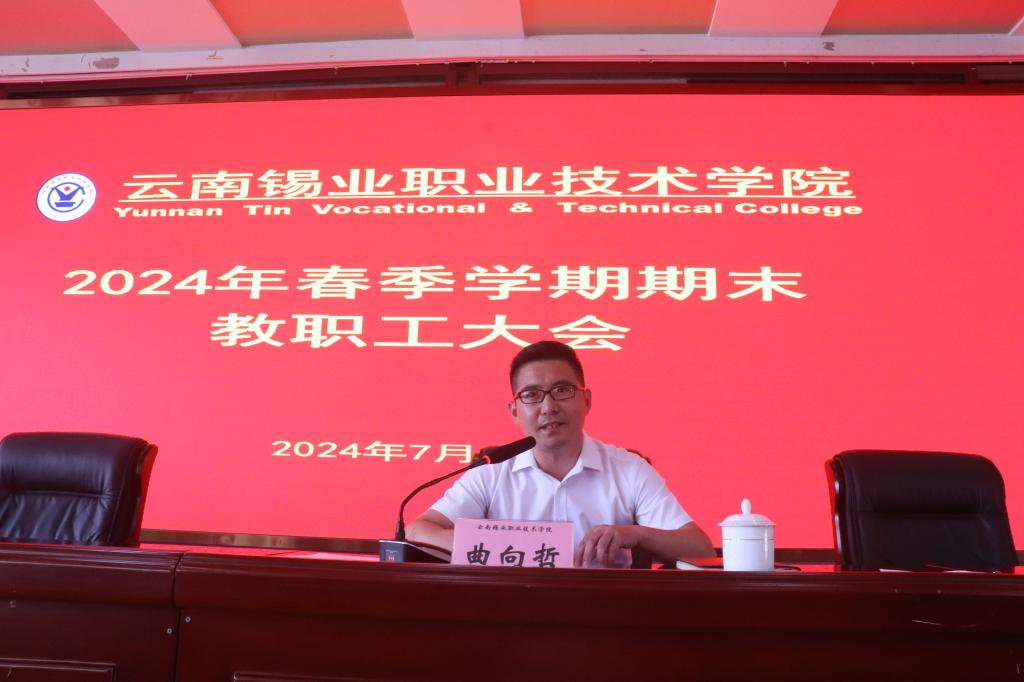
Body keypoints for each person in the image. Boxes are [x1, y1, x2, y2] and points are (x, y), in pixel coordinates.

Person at [407, 340, 715, 567]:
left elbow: (699, 548)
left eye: (562, 390)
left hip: (604, 618)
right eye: (532, 395)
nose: (548, 406)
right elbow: (417, 530)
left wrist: (634, 534)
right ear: (515, 411)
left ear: (586, 400)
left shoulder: (628, 469)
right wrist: (487, 543)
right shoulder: (491, 472)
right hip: (510, 615)